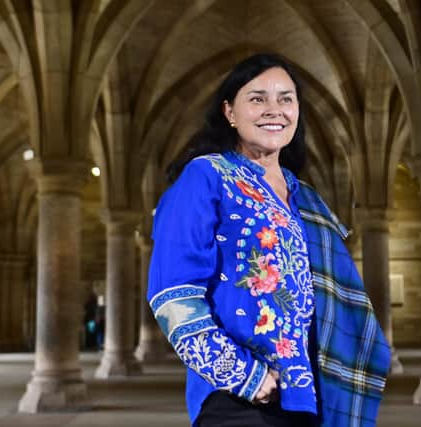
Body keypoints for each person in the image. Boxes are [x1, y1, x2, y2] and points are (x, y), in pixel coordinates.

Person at [147, 53, 391, 427]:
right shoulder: (206, 177)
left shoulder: (305, 197)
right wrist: (244, 376)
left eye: (286, 99)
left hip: (307, 396)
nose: (274, 110)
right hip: (237, 400)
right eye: (257, 98)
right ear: (230, 111)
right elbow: (173, 295)